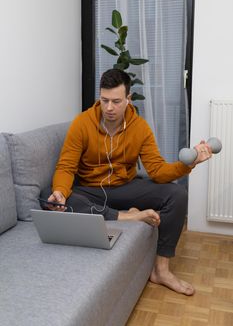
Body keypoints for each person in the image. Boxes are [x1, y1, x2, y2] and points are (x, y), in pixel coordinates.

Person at [41, 68, 211, 296]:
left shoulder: (139, 128)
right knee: (48, 195)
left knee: (177, 194)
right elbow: (66, 166)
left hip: (125, 187)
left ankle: (161, 270)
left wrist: (190, 164)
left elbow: (158, 171)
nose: (109, 108)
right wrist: (60, 192)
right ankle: (127, 215)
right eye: (104, 100)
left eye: (116, 101)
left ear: (128, 99)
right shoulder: (82, 124)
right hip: (91, 190)